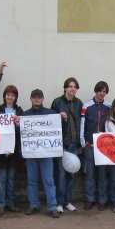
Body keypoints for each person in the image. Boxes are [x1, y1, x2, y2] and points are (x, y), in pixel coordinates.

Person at [20, 89, 60, 218]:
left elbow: (58, 128)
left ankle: (52, 206)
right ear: (30, 99)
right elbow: (20, 133)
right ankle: (33, 205)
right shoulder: (24, 115)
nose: (36, 99)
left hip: (46, 154)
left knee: (49, 180)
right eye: (34, 97)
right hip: (31, 155)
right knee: (31, 181)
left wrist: (61, 117)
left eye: (39, 97)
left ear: (43, 99)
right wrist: (17, 124)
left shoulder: (51, 114)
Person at [51, 77, 83, 213]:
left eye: (75, 87)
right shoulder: (57, 102)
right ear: (65, 88)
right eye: (70, 86)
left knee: (71, 174)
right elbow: (51, 123)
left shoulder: (79, 103)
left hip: (74, 144)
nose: (73, 89)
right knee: (61, 175)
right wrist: (58, 115)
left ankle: (68, 201)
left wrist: (80, 143)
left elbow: (81, 123)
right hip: (62, 145)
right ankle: (59, 202)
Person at [80, 81, 111, 210]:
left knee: (103, 174)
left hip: (103, 147)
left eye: (104, 91)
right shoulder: (86, 106)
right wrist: (82, 142)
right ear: (95, 91)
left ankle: (103, 200)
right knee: (89, 174)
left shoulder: (109, 106)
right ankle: (90, 199)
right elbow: (82, 124)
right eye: (100, 91)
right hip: (89, 145)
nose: (102, 93)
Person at [0, 85, 23, 216]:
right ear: (5, 96)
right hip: (1, 150)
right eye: (8, 95)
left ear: (15, 97)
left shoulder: (20, 111)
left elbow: (23, 130)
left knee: (11, 178)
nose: (10, 97)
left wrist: (18, 123)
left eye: (13, 95)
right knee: (1, 178)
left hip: (14, 150)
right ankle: (0, 204)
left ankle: (10, 203)